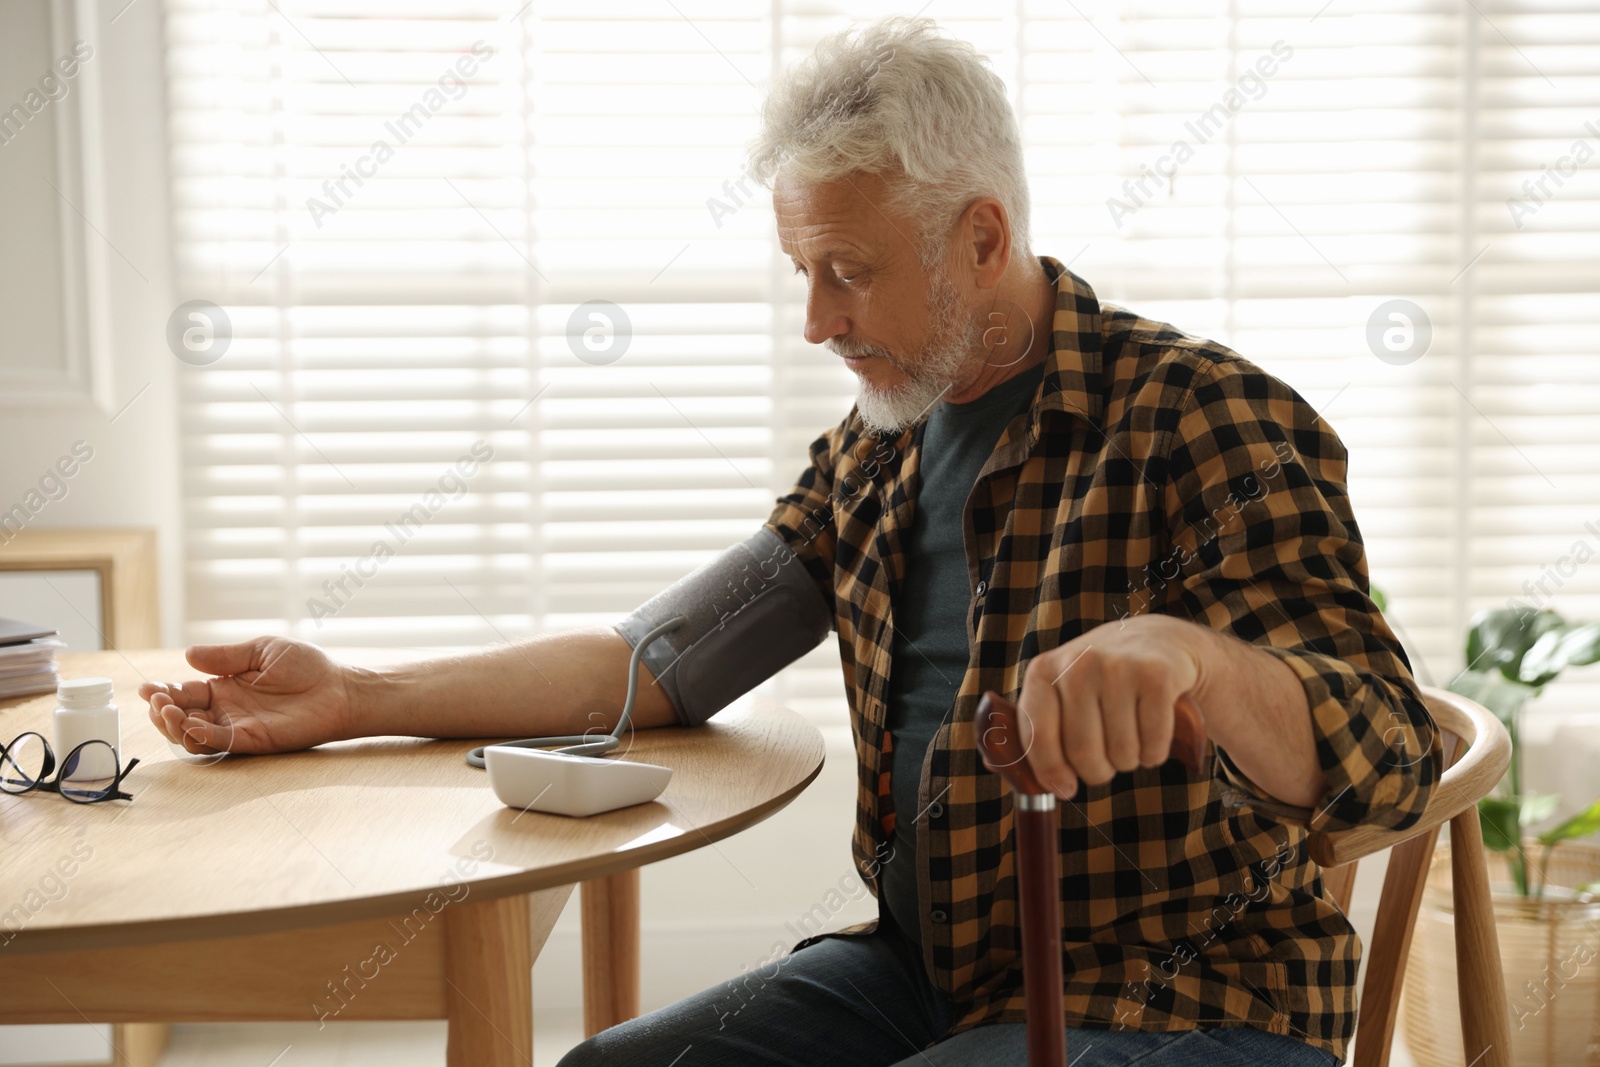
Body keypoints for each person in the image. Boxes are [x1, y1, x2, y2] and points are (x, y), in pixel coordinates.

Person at [141, 17, 1438, 1067]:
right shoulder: (879, 450)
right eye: (800, 271)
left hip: (1186, 997)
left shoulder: (1208, 419)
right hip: (929, 971)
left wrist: (1196, 661)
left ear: (982, 238)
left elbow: (1390, 751)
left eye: (848, 271)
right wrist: (353, 697)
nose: (816, 321)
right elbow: (658, 661)